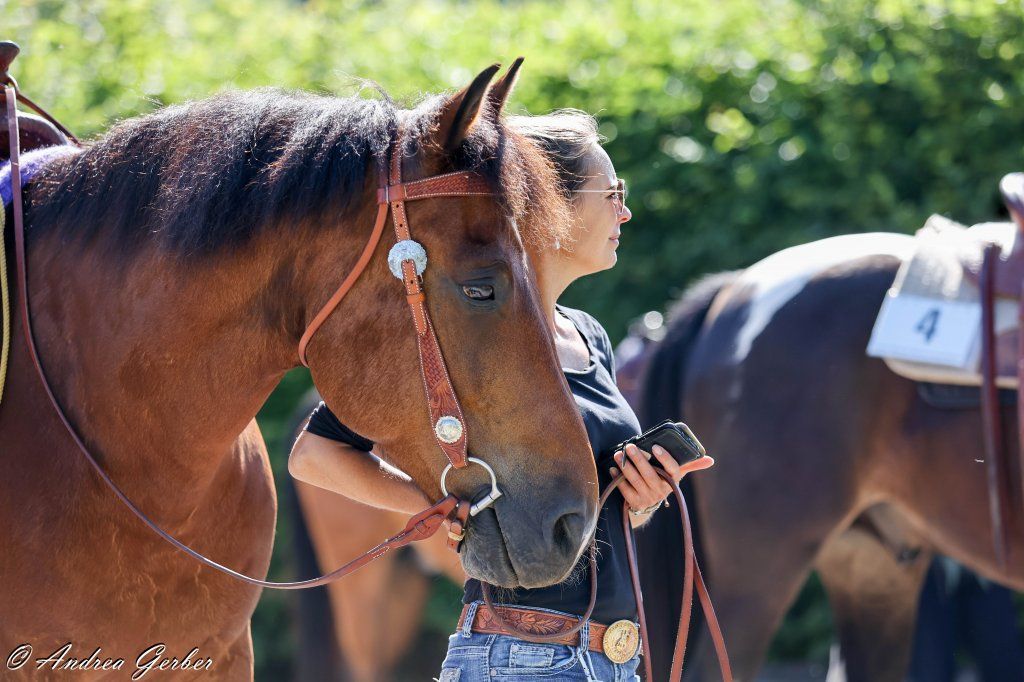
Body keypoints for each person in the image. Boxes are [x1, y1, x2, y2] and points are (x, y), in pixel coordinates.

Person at [288, 110, 713, 681]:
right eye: (611, 193)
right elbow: (313, 456)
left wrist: (642, 498)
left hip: (612, 659)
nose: (625, 210)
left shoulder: (589, 336)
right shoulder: (461, 335)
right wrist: (430, 507)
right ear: (547, 203)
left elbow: (586, 520)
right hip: (516, 660)